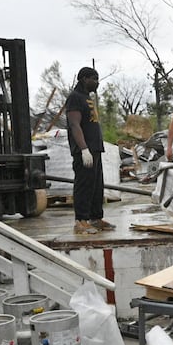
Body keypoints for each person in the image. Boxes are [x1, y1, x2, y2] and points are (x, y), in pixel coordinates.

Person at [66, 66, 112, 234]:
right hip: (84, 151)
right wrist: (83, 148)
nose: (97, 82)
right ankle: (81, 220)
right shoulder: (75, 98)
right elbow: (74, 124)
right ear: (84, 79)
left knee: (96, 185)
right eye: (94, 78)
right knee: (84, 185)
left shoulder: (87, 98)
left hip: (95, 149)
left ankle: (95, 218)